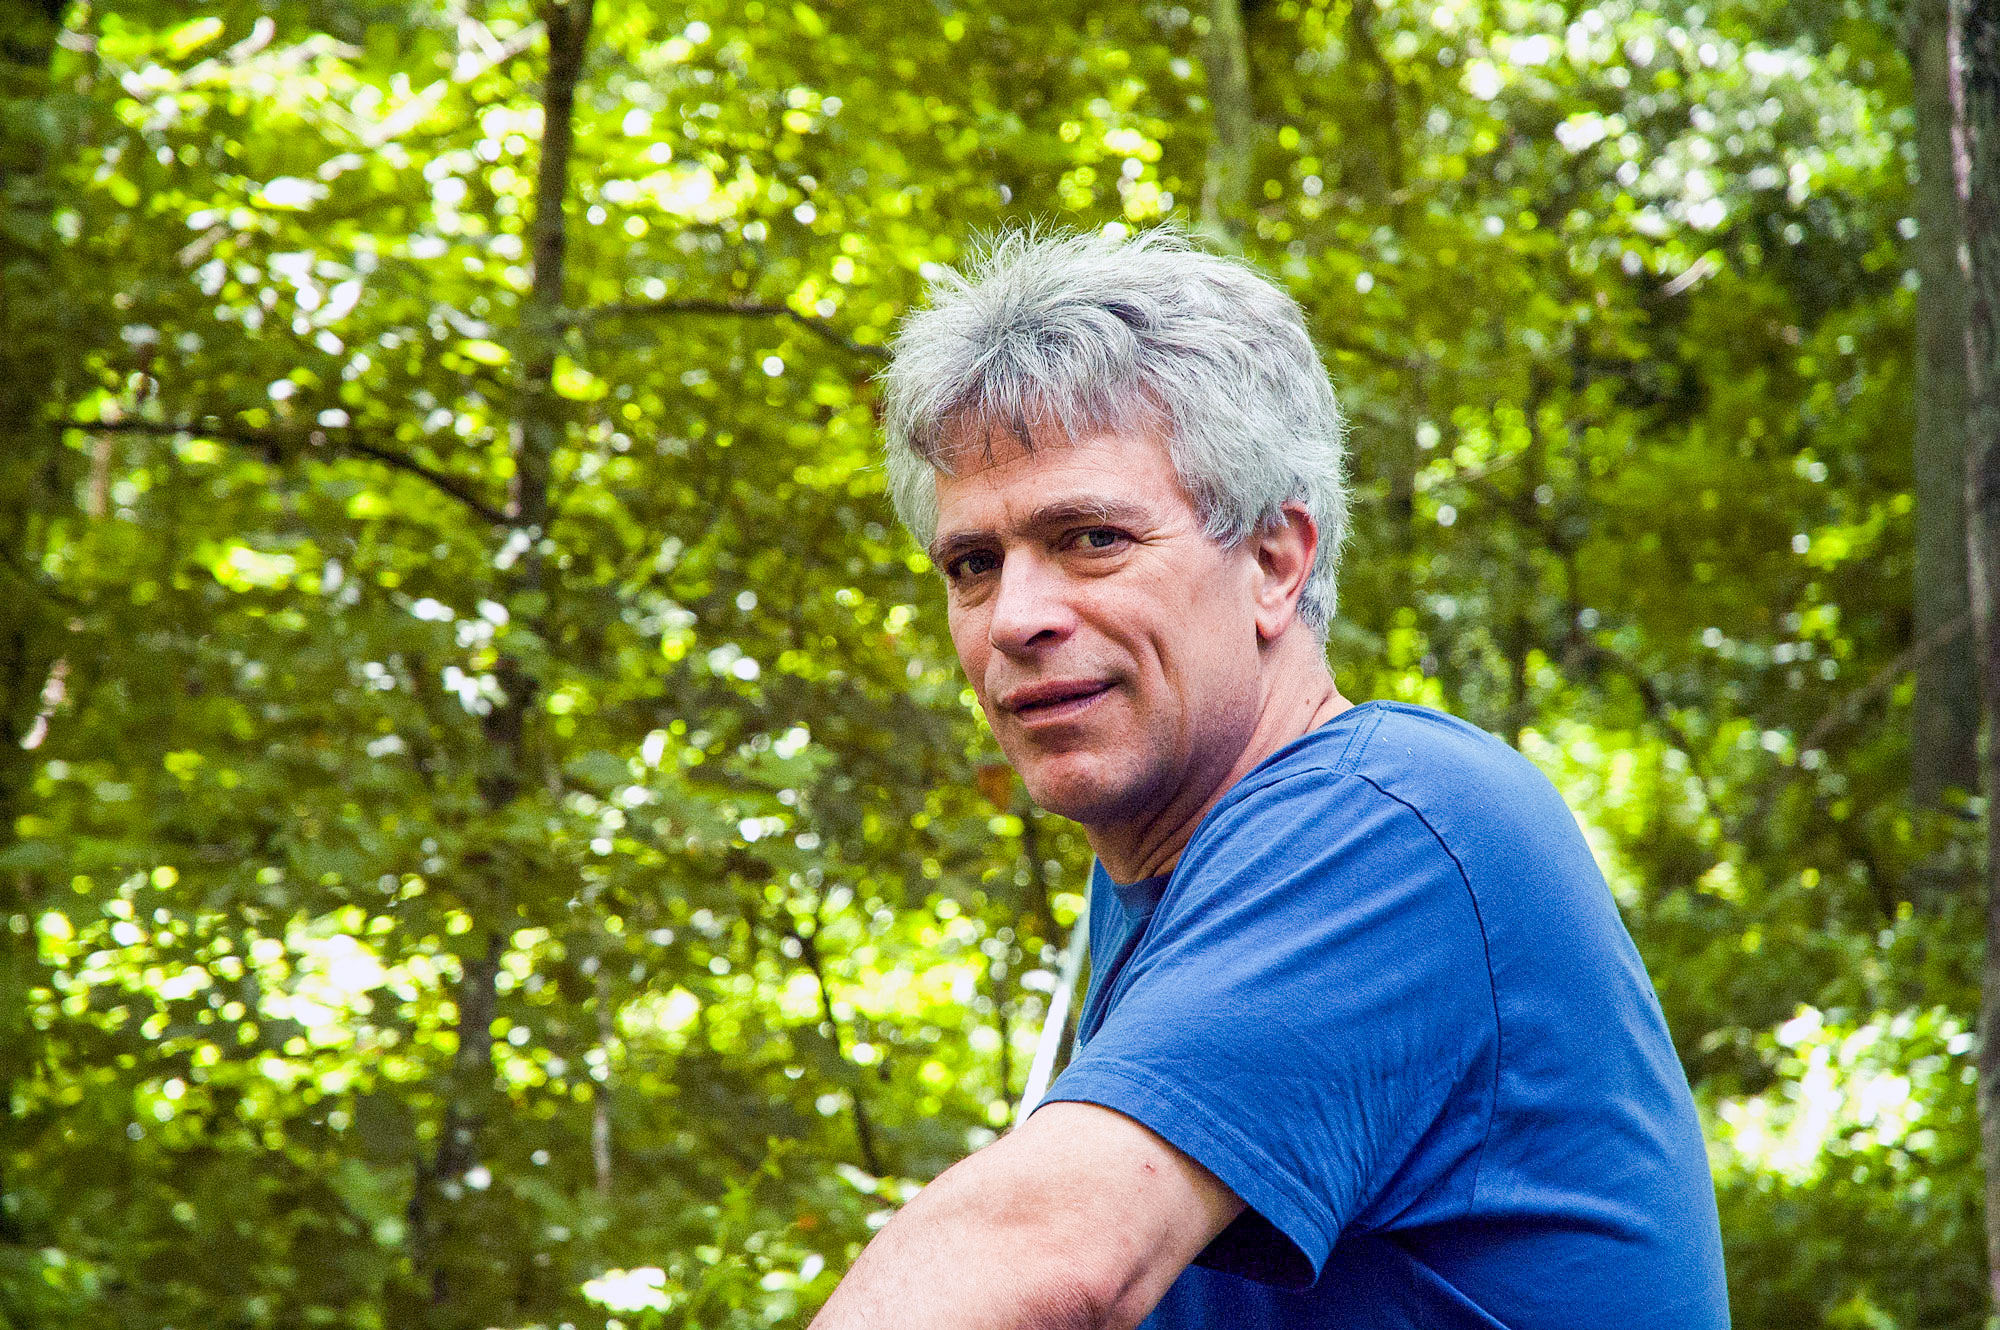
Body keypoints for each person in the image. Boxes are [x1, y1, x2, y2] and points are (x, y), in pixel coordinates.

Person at [809, 228, 1729, 1330]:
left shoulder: (1391, 828)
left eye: (1091, 537)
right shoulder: (1167, 866)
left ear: (1275, 561)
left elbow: (1047, 1255)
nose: (1015, 617)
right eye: (973, 564)